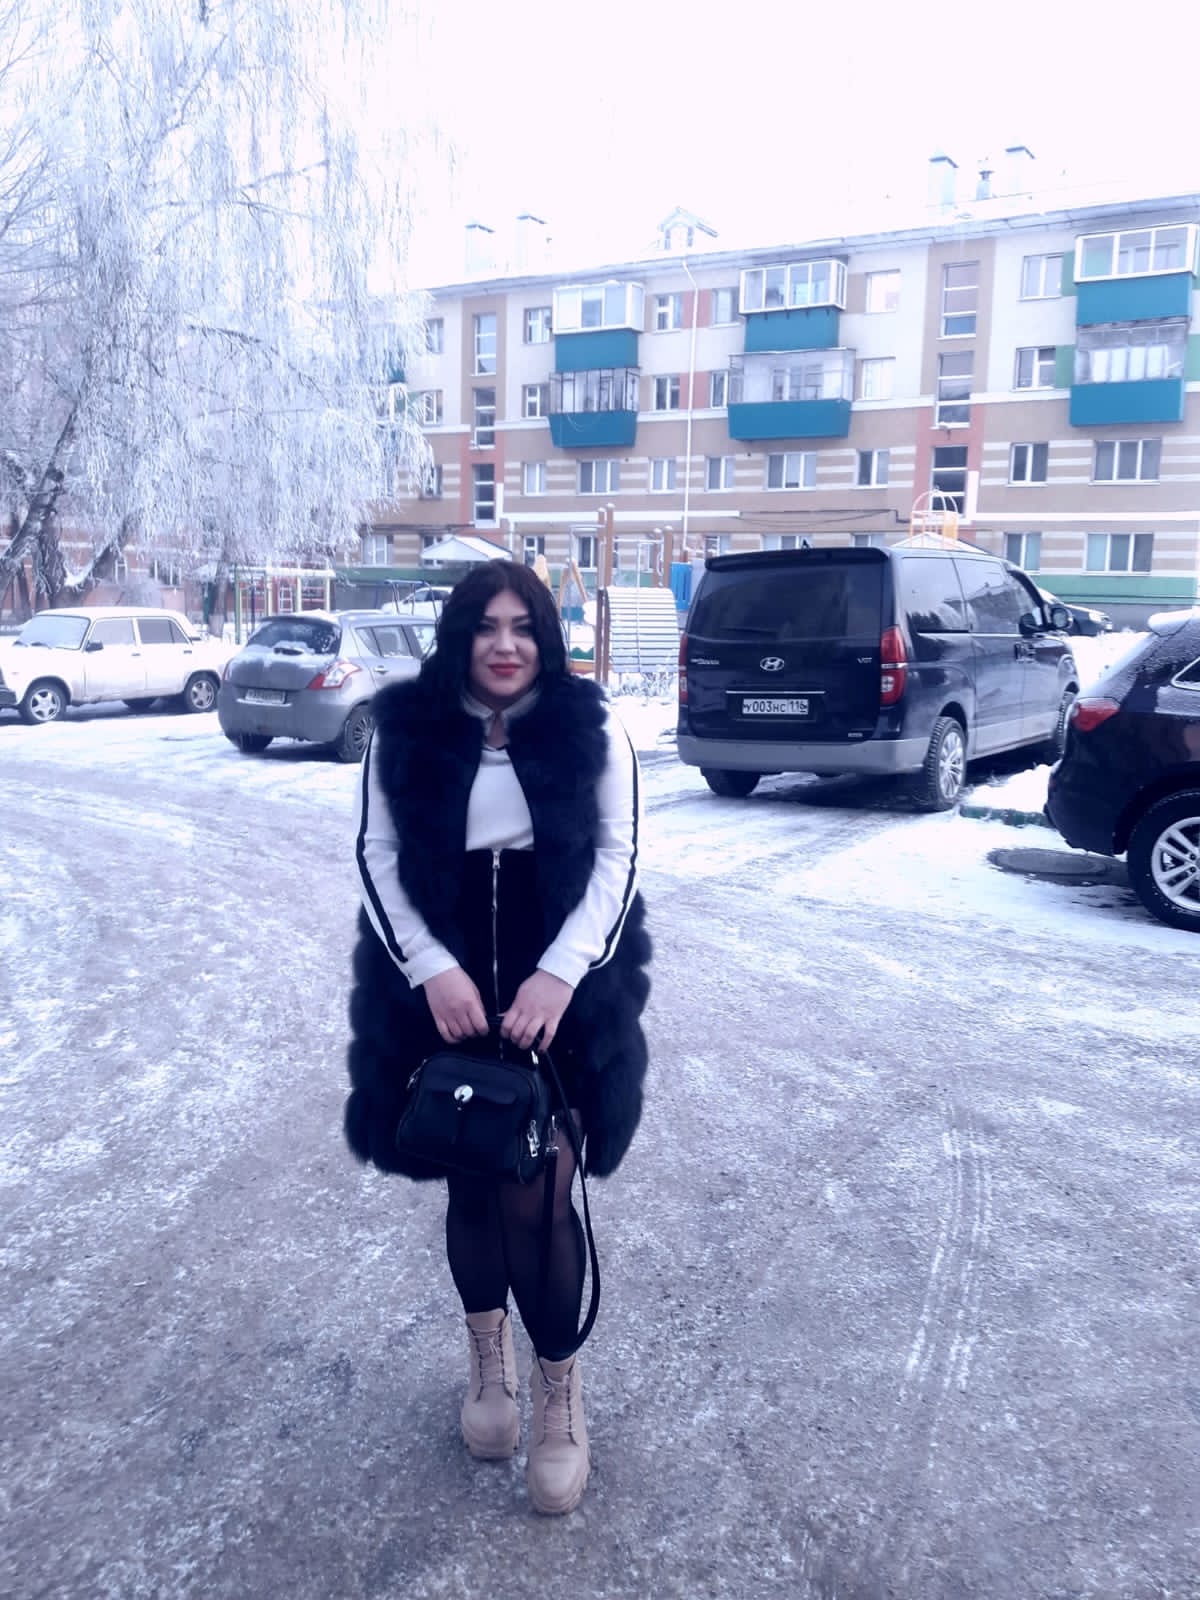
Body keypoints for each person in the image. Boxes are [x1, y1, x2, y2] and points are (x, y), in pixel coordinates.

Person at [344, 560, 651, 1516]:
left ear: (546, 636)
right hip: (438, 993)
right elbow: (375, 855)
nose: (505, 644)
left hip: (561, 995)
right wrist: (429, 968)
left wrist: (561, 973)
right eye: (486, 625)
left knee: (539, 1194)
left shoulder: (594, 729)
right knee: (472, 1181)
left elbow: (619, 860)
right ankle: (489, 1362)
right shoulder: (404, 730)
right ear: (460, 636)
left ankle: (558, 1392)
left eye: (523, 625)